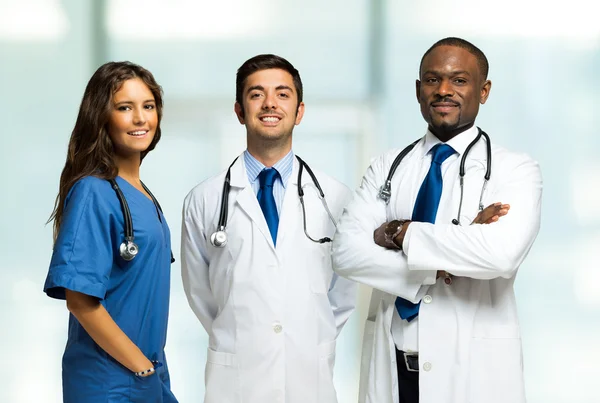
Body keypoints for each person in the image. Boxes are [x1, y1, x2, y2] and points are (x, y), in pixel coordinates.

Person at [331, 37, 543, 403]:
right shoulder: (388, 166)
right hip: (393, 367)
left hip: (473, 373)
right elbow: (347, 252)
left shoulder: (515, 170)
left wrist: (400, 231)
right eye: (432, 80)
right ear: (418, 90)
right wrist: (438, 264)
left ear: (484, 90)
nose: (443, 90)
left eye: (459, 80)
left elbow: (500, 255)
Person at [180, 54, 357, 403]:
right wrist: (246, 332)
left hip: (309, 377)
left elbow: (343, 295)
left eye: (282, 94)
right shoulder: (204, 199)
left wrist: (305, 333)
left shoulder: (335, 198)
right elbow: (201, 295)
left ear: (300, 110)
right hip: (236, 380)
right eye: (256, 94)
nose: (270, 103)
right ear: (239, 110)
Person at [44, 61, 178, 403]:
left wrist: (150, 373)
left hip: (146, 376)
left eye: (148, 106)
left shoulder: (143, 194)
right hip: (109, 382)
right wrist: (141, 368)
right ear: (102, 117)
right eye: (124, 108)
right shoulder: (93, 191)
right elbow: (80, 301)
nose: (140, 118)